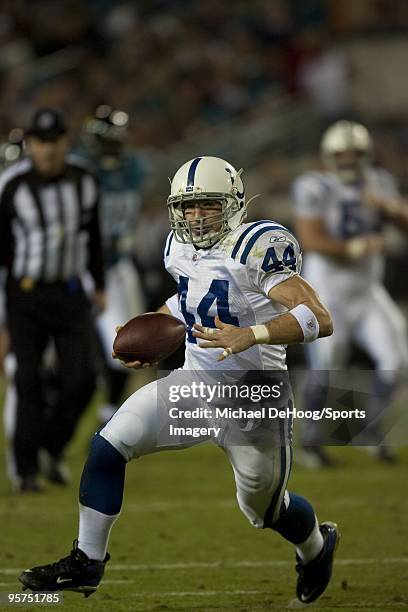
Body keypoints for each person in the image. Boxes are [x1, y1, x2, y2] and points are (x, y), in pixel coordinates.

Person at [19, 156, 339, 605]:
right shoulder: (179, 247)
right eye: (187, 207)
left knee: (265, 509)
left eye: (207, 205)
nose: (195, 216)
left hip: (254, 400)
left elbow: (318, 318)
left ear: (233, 204)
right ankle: (87, 562)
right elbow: (191, 296)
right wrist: (150, 330)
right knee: (109, 445)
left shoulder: (255, 245)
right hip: (195, 383)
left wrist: (252, 334)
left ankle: (316, 549)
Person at [0, 108, 106, 492]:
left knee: (84, 379)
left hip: (69, 291)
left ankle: (52, 447)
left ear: (66, 141)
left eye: (54, 140)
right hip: (24, 295)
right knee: (27, 379)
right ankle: (26, 470)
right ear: (29, 144)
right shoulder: (11, 186)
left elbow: (92, 235)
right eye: (40, 142)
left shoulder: (85, 181)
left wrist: (100, 283)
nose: (47, 150)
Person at [292, 120, 408, 467]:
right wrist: (354, 248)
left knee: (397, 361)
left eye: (354, 154)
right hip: (327, 292)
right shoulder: (314, 186)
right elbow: (309, 239)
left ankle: (370, 432)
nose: (347, 161)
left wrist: (389, 208)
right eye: (340, 155)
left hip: (367, 290)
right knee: (327, 366)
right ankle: (311, 440)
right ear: (328, 157)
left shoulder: (381, 183)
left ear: (366, 154)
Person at [75, 105, 147, 423]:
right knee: (118, 346)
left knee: (134, 344)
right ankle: (104, 409)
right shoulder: (80, 170)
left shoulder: (132, 167)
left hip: (120, 264)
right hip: (87, 266)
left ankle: (109, 409)